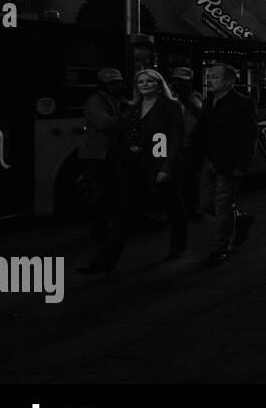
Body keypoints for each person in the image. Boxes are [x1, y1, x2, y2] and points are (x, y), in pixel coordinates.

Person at [78, 69, 186, 274]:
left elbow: (175, 139)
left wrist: (166, 167)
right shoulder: (132, 106)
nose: (144, 85)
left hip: (160, 164)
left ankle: (178, 245)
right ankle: (103, 262)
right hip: (135, 165)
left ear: (159, 83)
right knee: (123, 213)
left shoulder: (171, 106)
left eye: (150, 81)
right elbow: (125, 131)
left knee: (173, 205)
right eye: (140, 82)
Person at [192, 63, 258, 266]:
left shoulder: (243, 103)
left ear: (229, 81)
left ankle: (221, 248)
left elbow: (249, 137)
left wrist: (241, 165)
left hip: (228, 164)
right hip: (209, 161)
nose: (209, 80)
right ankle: (239, 219)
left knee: (222, 206)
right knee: (206, 204)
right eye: (209, 76)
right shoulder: (209, 101)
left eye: (215, 77)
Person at [81, 68, 126, 240]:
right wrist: (124, 118)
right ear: (102, 85)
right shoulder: (94, 101)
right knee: (101, 191)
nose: (116, 85)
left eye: (118, 82)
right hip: (97, 153)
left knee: (112, 190)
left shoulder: (117, 100)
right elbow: (105, 123)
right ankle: (99, 228)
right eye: (112, 83)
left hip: (111, 152)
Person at [170, 66, 204, 220]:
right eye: (177, 81)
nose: (180, 84)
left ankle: (191, 207)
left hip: (192, 145)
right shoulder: (168, 97)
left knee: (191, 178)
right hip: (174, 145)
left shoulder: (197, 97)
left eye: (183, 81)